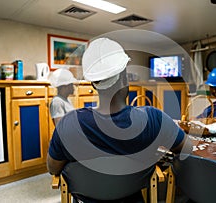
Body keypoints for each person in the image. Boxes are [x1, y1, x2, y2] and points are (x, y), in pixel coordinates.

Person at [47, 38, 188, 202]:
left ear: (93, 84)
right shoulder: (154, 118)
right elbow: (185, 148)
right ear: (125, 77)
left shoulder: (68, 124)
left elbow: (53, 168)